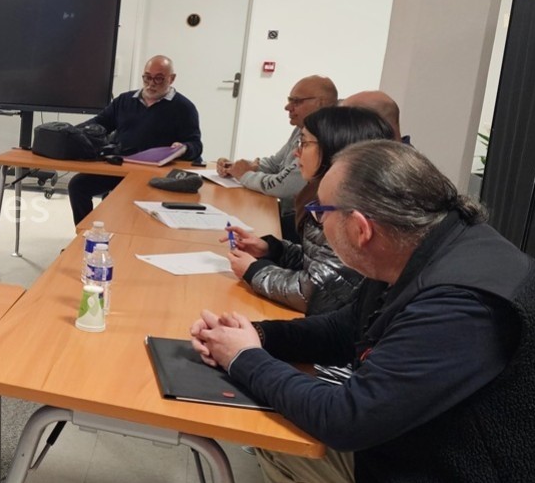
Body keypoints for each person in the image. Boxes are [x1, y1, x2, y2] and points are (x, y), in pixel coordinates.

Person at [189, 140, 535, 483]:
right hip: (434, 456)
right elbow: (343, 330)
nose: (313, 221)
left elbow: (348, 420)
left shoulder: (464, 304)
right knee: (283, 445)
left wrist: (246, 358)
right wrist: (260, 338)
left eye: (319, 211)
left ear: (360, 227)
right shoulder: (426, 246)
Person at [224, 106, 393, 315]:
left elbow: (317, 293)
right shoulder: (324, 195)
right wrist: (271, 249)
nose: (296, 153)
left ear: (335, 148)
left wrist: (254, 271)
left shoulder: (349, 211)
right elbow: (320, 263)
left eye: (305, 143)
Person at [66, 54, 203, 225]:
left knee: (116, 199)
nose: (151, 83)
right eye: (147, 77)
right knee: (78, 186)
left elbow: (195, 145)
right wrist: (71, 132)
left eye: (159, 79)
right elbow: (100, 123)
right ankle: (84, 236)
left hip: (156, 175)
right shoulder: (125, 100)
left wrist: (183, 148)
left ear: (172, 79)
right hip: (121, 167)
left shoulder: (184, 108)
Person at [217, 75, 337, 239]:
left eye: (296, 101)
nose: (287, 107)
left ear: (321, 103)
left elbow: (283, 187)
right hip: (290, 218)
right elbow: (275, 163)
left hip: (299, 225)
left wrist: (244, 175)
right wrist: (239, 167)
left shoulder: (323, 139)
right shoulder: (301, 129)